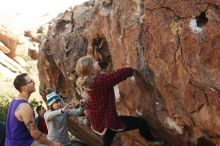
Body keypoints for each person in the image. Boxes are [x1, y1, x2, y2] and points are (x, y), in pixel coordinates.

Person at [75, 56, 165, 146]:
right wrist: (131, 70)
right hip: (108, 122)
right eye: (94, 63)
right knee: (142, 122)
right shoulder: (100, 82)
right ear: (90, 70)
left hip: (100, 122)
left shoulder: (88, 84)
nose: (97, 62)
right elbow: (118, 75)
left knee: (108, 138)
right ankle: (152, 140)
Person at [5, 73, 61, 146]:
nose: (34, 82)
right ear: (24, 87)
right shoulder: (24, 107)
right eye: (31, 81)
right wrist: (53, 144)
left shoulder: (14, 101)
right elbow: (35, 133)